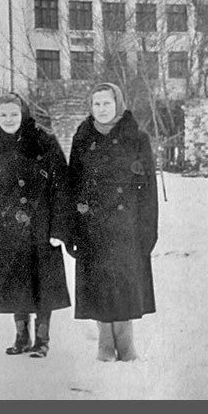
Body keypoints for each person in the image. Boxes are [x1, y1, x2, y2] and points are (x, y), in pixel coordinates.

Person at [67, 83, 158, 361]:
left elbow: (149, 187)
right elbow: (73, 183)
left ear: (117, 104)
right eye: (97, 104)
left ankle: (126, 342)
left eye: (107, 103)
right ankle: (105, 342)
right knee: (99, 286)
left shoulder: (136, 137)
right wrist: (73, 227)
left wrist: (147, 229)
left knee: (123, 284)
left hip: (125, 225)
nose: (102, 109)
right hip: (92, 224)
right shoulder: (83, 136)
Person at [0, 93, 71, 358]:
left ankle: (42, 339)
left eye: (14, 114)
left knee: (43, 283)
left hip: (40, 227)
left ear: (23, 114)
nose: (9, 119)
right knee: (15, 282)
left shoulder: (44, 141)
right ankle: (21, 336)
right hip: (6, 229)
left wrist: (58, 228)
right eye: (3, 114)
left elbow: (61, 185)